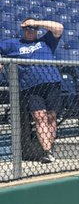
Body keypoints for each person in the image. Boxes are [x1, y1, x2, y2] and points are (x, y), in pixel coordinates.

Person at [0, 17, 65, 163]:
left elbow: (59, 27)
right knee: (39, 117)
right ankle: (47, 151)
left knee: (51, 117)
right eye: (28, 28)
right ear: (23, 29)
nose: (31, 31)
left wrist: (37, 22)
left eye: (33, 29)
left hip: (51, 82)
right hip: (30, 87)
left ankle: (50, 148)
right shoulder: (13, 44)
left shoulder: (45, 41)